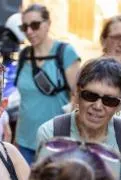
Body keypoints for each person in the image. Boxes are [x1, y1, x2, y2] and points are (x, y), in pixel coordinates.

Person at [14, 4, 81, 164]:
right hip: (24, 142)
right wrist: (16, 139)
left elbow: (79, 98)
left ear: (48, 23)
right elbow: (24, 102)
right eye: (25, 27)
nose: (29, 31)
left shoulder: (65, 52)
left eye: (35, 25)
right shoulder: (24, 55)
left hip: (57, 142)